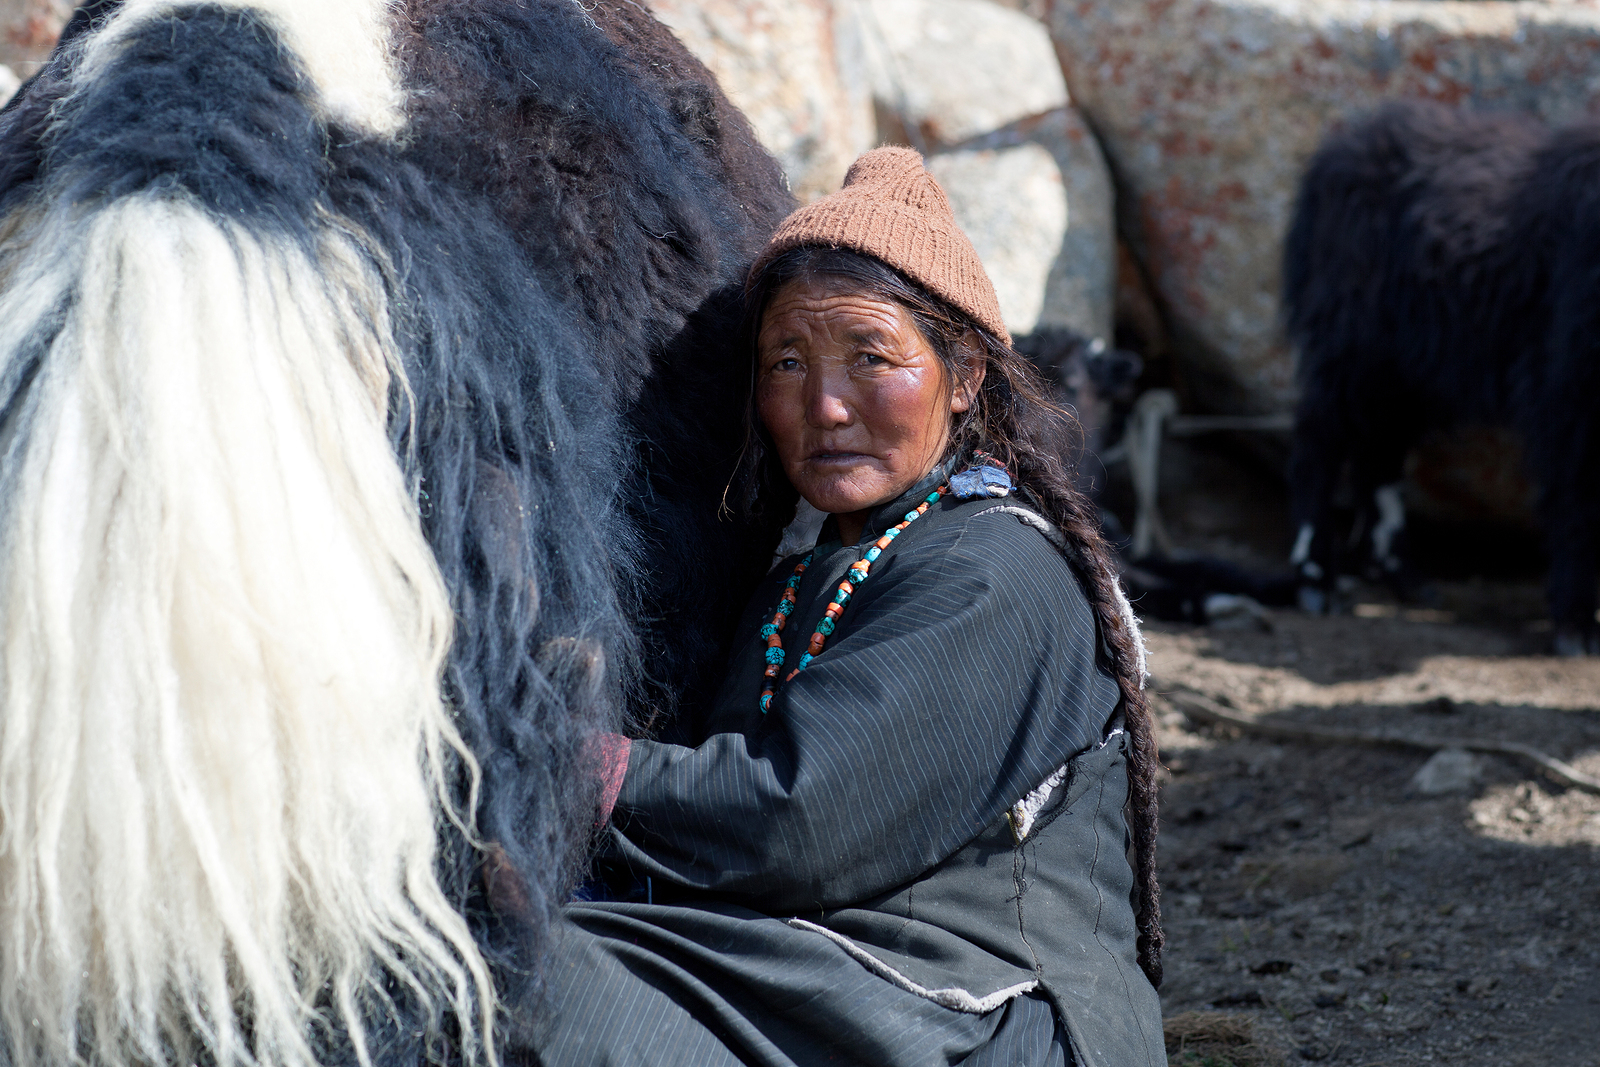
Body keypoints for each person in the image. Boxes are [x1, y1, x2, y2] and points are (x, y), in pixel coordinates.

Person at [526, 147, 1166, 1067]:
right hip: (837, 967)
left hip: (976, 1007)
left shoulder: (993, 569)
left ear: (967, 374)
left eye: (871, 356)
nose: (824, 406)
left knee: (545, 982)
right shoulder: (819, 564)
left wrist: (575, 765)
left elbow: (801, 815)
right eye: (787, 361)